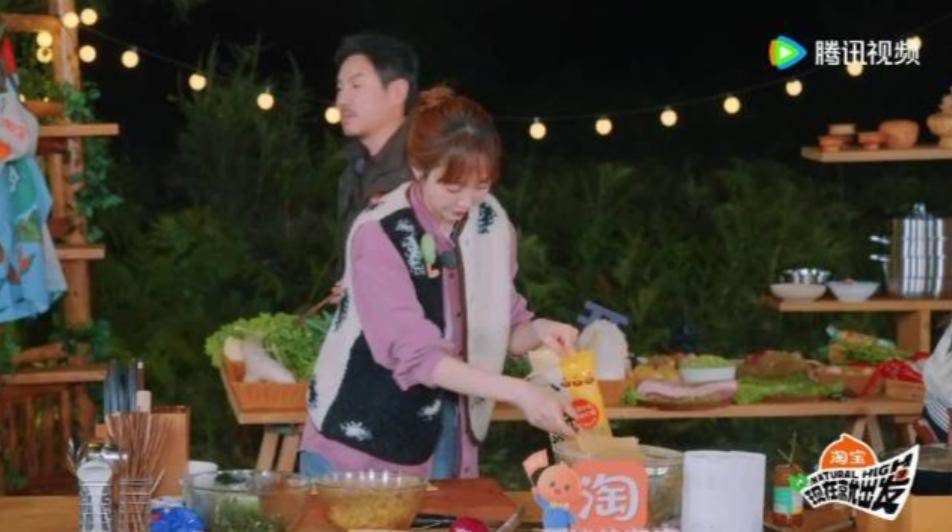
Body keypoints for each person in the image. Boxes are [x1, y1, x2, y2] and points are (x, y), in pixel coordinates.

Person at [300, 86, 578, 479]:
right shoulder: (380, 233)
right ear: (418, 168)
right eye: (452, 187)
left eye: (481, 185)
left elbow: (503, 324)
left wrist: (540, 331)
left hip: (450, 433)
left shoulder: (491, 223)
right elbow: (416, 355)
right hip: (363, 440)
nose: (467, 202)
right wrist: (520, 392)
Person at [333, 34, 417, 277]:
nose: (341, 100)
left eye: (356, 86)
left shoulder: (427, 169)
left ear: (397, 91)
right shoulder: (353, 170)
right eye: (340, 87)